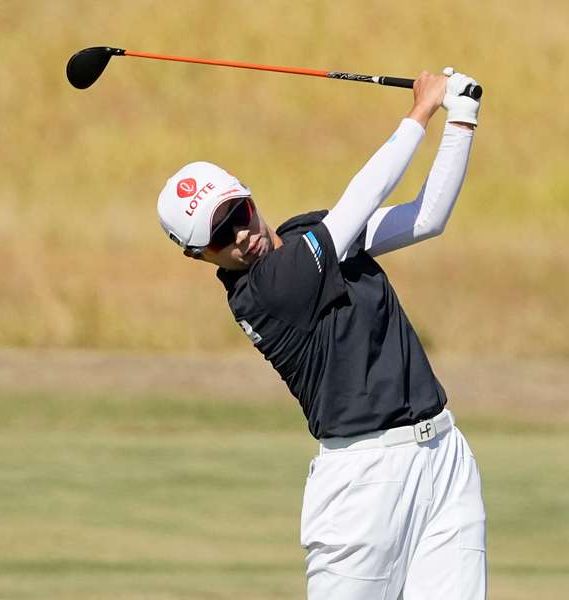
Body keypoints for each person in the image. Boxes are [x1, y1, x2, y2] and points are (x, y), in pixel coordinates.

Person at [157, 68, 486, 599]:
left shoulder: (305, 233)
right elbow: (357, 202)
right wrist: (422, 111)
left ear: (248, 194)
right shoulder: (266, 292)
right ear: (200, 256)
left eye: (238, 213)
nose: (242, 235)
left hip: (443, 459)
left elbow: (426, 219)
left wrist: (462, 117)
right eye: (220, 236)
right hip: (362, 485)